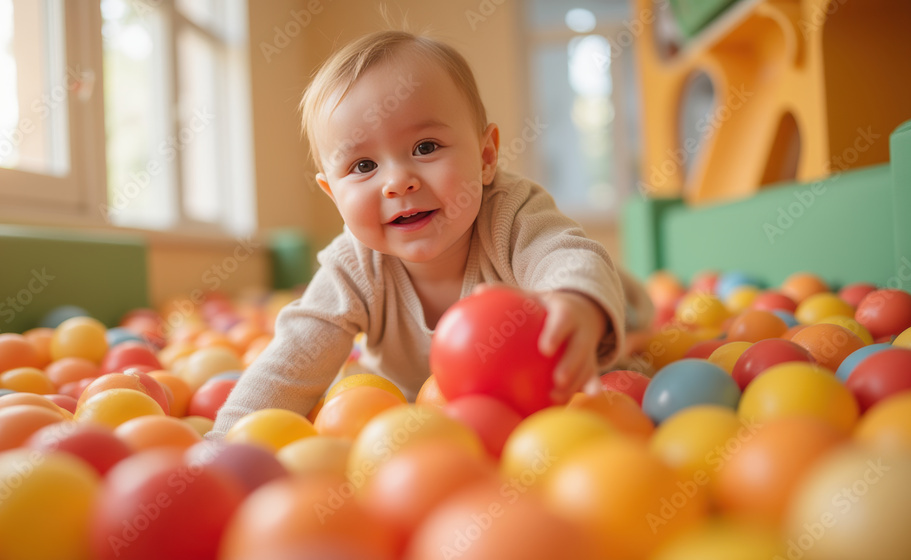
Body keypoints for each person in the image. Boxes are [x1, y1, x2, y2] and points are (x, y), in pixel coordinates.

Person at [207, 30, 652, 438]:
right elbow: (295, 356)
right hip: (418, 422)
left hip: (531, 406)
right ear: (333, 194)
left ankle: (627, 301)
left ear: (485, 156)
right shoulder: (355, 264)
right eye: (363, 166)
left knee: (618, 313)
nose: (398, 182)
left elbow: (563, 254)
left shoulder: (510, 213)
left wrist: (578, 301)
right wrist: (224, 440)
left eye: (425, 148)